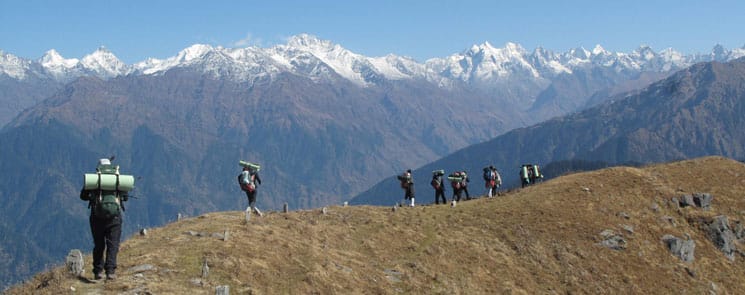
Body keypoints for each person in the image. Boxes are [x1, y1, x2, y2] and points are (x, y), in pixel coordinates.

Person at [79, 158, 129, 280]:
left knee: (99, 244)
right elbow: (125, 197)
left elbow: (83, 197)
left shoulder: (95, 180)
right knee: (113, 244)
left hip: (97, 217)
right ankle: (110, 271)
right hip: (114, 218)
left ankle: (98, 271)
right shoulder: (117, 179)